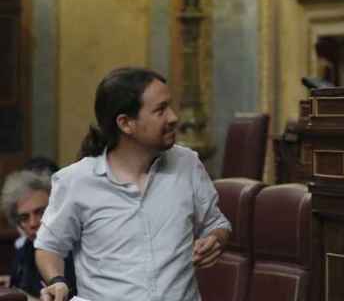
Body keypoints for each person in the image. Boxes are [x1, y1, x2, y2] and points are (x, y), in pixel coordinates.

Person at [35, 67, 231, 301]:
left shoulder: (187, 164)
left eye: (170, 106)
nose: (173, 117)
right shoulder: (76, 181)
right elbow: (49, 247)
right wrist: (57, 281)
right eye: (160, 110)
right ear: (126, 123)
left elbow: (216, 223)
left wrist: (216, 239)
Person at [0, 170, 76, 301]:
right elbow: (19, 283)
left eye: (40, 212)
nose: (33, 223)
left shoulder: (74, 250)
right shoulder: (26, 247)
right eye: (24, 217)